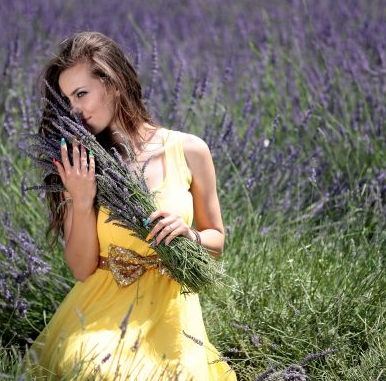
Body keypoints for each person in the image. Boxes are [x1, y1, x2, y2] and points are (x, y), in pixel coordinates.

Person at [25, 31, 237, 380]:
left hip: (171, 311)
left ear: (114, 83)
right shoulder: (80, 162)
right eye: (67, 102)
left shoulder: (189, 150)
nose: (75, 111)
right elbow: (81, 269)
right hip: (101, 307)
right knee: (97, 372)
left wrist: (190, 238)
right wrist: (80, 201)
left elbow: (217, 239)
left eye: (82, 94)